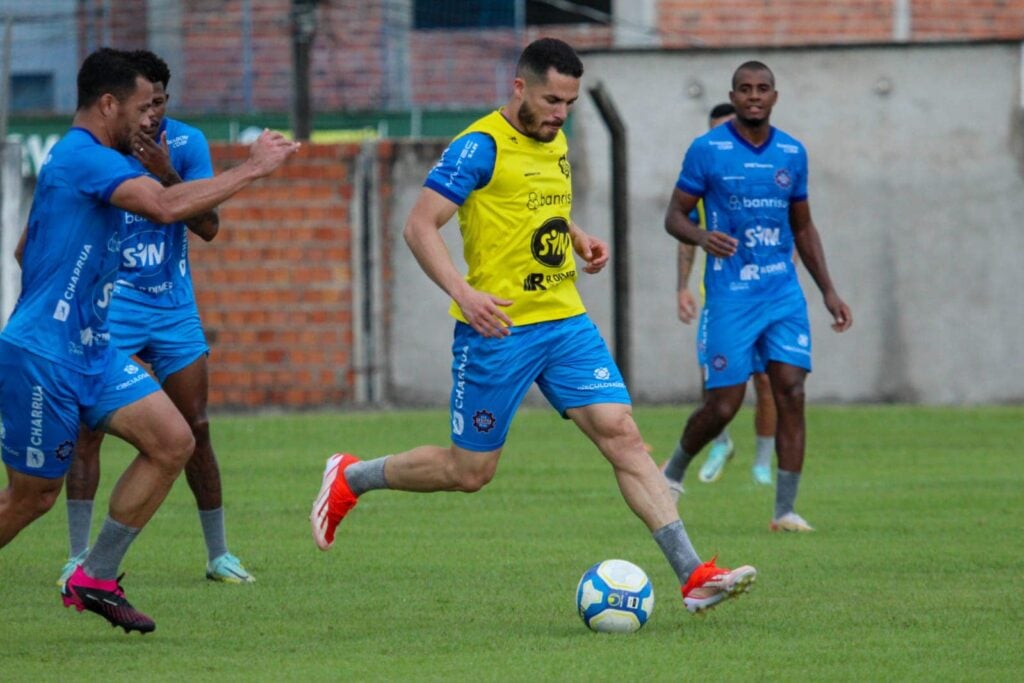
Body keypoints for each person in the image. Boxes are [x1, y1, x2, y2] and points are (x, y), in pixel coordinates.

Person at [309, 37, 756, 614]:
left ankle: (693, 576)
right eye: (550, 100)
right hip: (497, 330)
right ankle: (352, 477)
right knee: (469, 472)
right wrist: (463, 293)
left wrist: (577, 236)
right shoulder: (478, 147)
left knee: (620, 432)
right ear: (519, 87)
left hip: (564, 320)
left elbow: (541, 205)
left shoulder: (555, 139)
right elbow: (420, 226)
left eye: (568, 103)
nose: (559, 113)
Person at [0, 47, 298, 633]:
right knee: (32, 499)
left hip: (92, 349)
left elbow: (22, 251)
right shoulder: (83, 156)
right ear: (108, 104)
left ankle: (95, 577)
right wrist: (253, 168)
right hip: (45, 357)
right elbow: (164, 207)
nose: (152, 119)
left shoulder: (90, 161)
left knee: (173, 440)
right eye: (143, 107)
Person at [52, 50, 254, 587]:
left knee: (197, 430)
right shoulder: (101, 151)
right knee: (87, 431)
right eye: (146, 105)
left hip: (173, 309)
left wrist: (166, 174)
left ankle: (218, 555)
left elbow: (208, 227)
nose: (153, 115)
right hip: (114, 307)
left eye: (160, 103)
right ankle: (77, 557)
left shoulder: (186, 145)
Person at [662, 61, 852, 532]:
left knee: (792, 390)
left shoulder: (791, 152)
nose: (753, 96)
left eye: (762, 89)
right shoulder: (707, 151)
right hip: (732, 297)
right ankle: (672, 472)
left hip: (782, 294)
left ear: (774, 96)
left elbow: (803, 226)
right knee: (724, 404)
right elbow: (674, 217)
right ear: (734, 93)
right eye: (745, 89)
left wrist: (828, 290)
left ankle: (784, 510)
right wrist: (704, 237)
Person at [673, 102, 778, 492]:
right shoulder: (702, 178)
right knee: (712, 379)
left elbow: (791, 230)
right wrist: (682, 287)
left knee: (765, 382)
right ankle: (721, 444)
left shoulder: (765, 177)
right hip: (719, 301)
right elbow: (687, 235)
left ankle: (763, 465)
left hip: (764, 299)